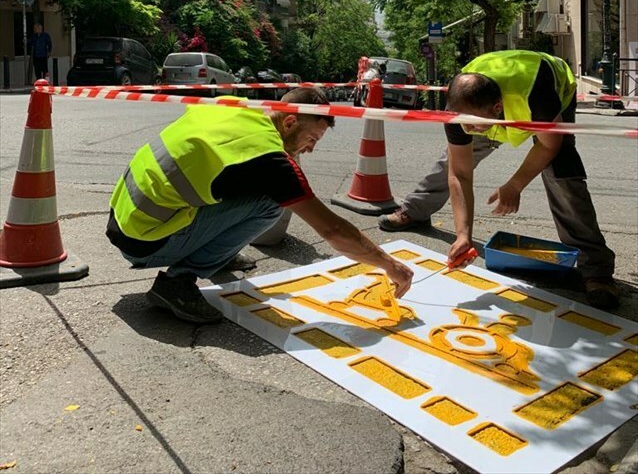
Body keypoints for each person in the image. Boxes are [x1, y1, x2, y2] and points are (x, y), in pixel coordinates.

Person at [107, 87, 413, 322]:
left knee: (246, 191)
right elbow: (332, 229)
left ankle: (213, 253)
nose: (311, 149)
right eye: (311, 139)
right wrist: (390, 265)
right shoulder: (267, 158)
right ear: (290, 122)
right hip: (144, 240)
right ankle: (176, 283)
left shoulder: (235, 107)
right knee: (271, 205)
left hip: (126, 217)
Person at [379, 50, 618, 310]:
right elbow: (460, 173)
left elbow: (549, 146)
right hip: (486, 105)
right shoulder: (460, 111)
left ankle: (596, 269)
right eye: (461, 122)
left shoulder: (537, 96)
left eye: (473, 123)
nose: (467, 129)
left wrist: (514, 185)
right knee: (452, 159)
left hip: (550, 93)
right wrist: (463, 235)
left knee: (561, 173)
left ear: (497, 109)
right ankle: (416, 209)